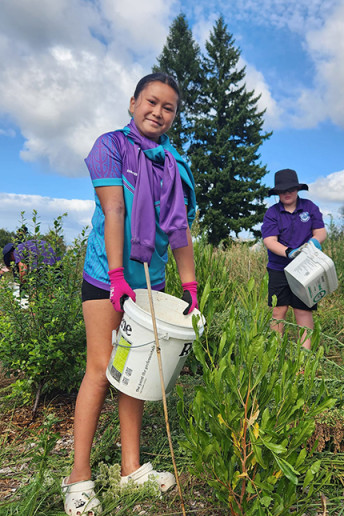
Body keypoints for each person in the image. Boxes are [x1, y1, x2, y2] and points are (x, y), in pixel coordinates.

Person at [61, 73, 199, 516]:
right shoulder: (110, 146)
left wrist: (189, 283)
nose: (158, 112)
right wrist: (119, 275)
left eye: (168, 108)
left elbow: (179, 229)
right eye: (151, 102)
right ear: (133, 102)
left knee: (134, 373)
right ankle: (78, 478)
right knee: (102, 369)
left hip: (150, 283)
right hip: (107, 276)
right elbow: (114, 208)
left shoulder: (173, 165)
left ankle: (130, 469)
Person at [261, 169, 327, 350]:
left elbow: (320, 231)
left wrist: (314, 242)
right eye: (282, 190)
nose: (287, 193)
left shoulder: (309, 207)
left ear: (297, 189)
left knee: (303, 310)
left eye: (290, 189)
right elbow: (269, 240)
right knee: (278, 310)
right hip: (278, 267)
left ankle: (304, 357)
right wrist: (290, 252)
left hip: (306, 268)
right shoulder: (272, 213)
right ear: (277, 193)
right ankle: (275, 353)